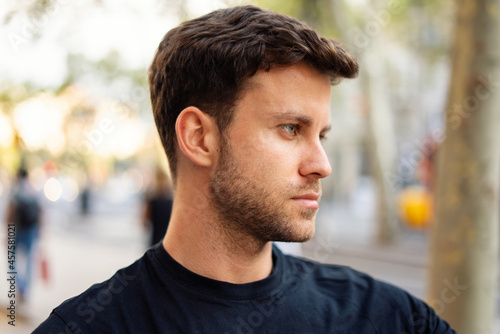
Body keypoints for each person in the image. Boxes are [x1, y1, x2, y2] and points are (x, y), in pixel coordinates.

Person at [34, 5, 455, 333]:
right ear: (199, 138)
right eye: (291, 129)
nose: (321, 165)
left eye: (321, 135)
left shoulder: (389, 319)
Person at [6, 168, 41, 303]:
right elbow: (39, 215)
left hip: (16, 230)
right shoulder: (33, 192)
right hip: (31, 230)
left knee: (11, 261)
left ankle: (20, 286)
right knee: (29, 262)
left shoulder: (14, 193)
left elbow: (9, 215)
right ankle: (25, 289)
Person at [142, 167, 173, 246]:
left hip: (155, 241)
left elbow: (144, 222)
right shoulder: (172, 198)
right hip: (169, 241)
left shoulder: (151, 198)